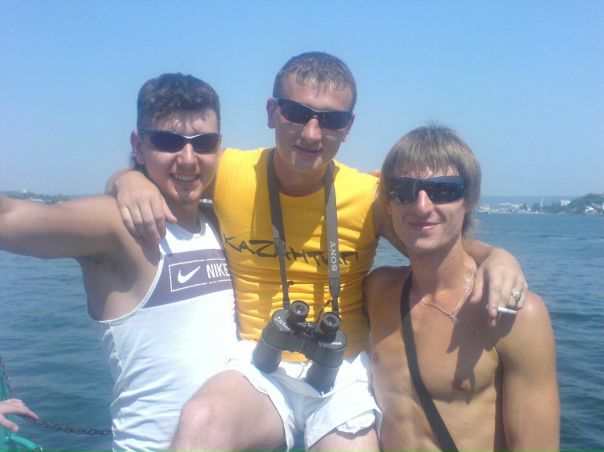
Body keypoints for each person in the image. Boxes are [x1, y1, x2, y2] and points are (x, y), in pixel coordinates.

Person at [112, 52, 529, 452]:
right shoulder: (228, 171)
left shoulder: (369, 197)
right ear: (272, 112)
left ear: (348, 127)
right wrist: (128, 180)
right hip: (257, 361)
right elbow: (174, 167)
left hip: (341, 368)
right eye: (296, 113)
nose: (311, 134)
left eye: (331, 120)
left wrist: (495, 257)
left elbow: (437, 246)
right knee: (201, 422)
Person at [0, 73, 237, 452]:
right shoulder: (116, 226)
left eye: (203, 143)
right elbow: (9, 218)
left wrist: (124, 177)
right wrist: (125, 181)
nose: (188, 158)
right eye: (168, 142)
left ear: (219, 148)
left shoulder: (221, 222)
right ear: (139, 146)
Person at [365, 124, 559, 452]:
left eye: (443, 190)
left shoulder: (516, 315)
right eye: (404, 190)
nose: (422, 205)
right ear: (388, 203)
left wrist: (498, 256)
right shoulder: (377, 291)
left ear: (469, 199)